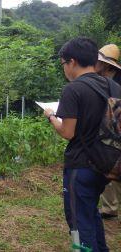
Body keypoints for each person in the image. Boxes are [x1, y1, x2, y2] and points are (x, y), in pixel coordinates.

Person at [44, 37, 120, 252]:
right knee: (91, 212)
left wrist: (51, 117)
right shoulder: (112, 85)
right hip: (106, 164)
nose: (64, 69)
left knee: (79, 222)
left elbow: (68, 132)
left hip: (81, 166)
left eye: (63, 64)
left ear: (72, 62)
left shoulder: (73, 89)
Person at [95, 44, 121, 220]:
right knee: (110, 172)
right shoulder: (101, 79)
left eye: (99, 61)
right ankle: (109, 208)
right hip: (108, 135)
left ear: (106, 64)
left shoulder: (115, 83)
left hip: (115, 132)